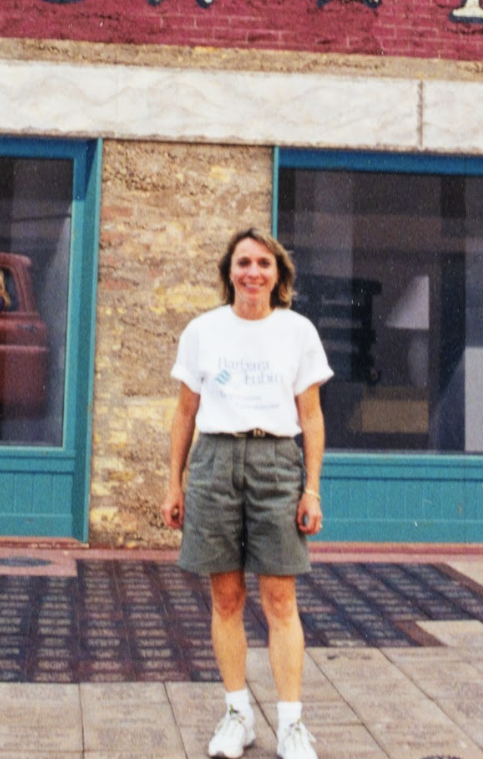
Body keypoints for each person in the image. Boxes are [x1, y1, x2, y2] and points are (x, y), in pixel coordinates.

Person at [162, 228, 331, 759]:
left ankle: (292, 724)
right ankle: (238, 714)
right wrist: (174, 481)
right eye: (242, 262)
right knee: (226, 598)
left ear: (278, 273)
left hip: (277, 464)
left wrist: (312, 490)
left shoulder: (298, 331)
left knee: (280, 598)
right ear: (228, 271)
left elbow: (311, 417)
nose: (252, 272)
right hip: (214, 462)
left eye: (263, 263)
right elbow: (185, 412)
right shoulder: (203, 331)